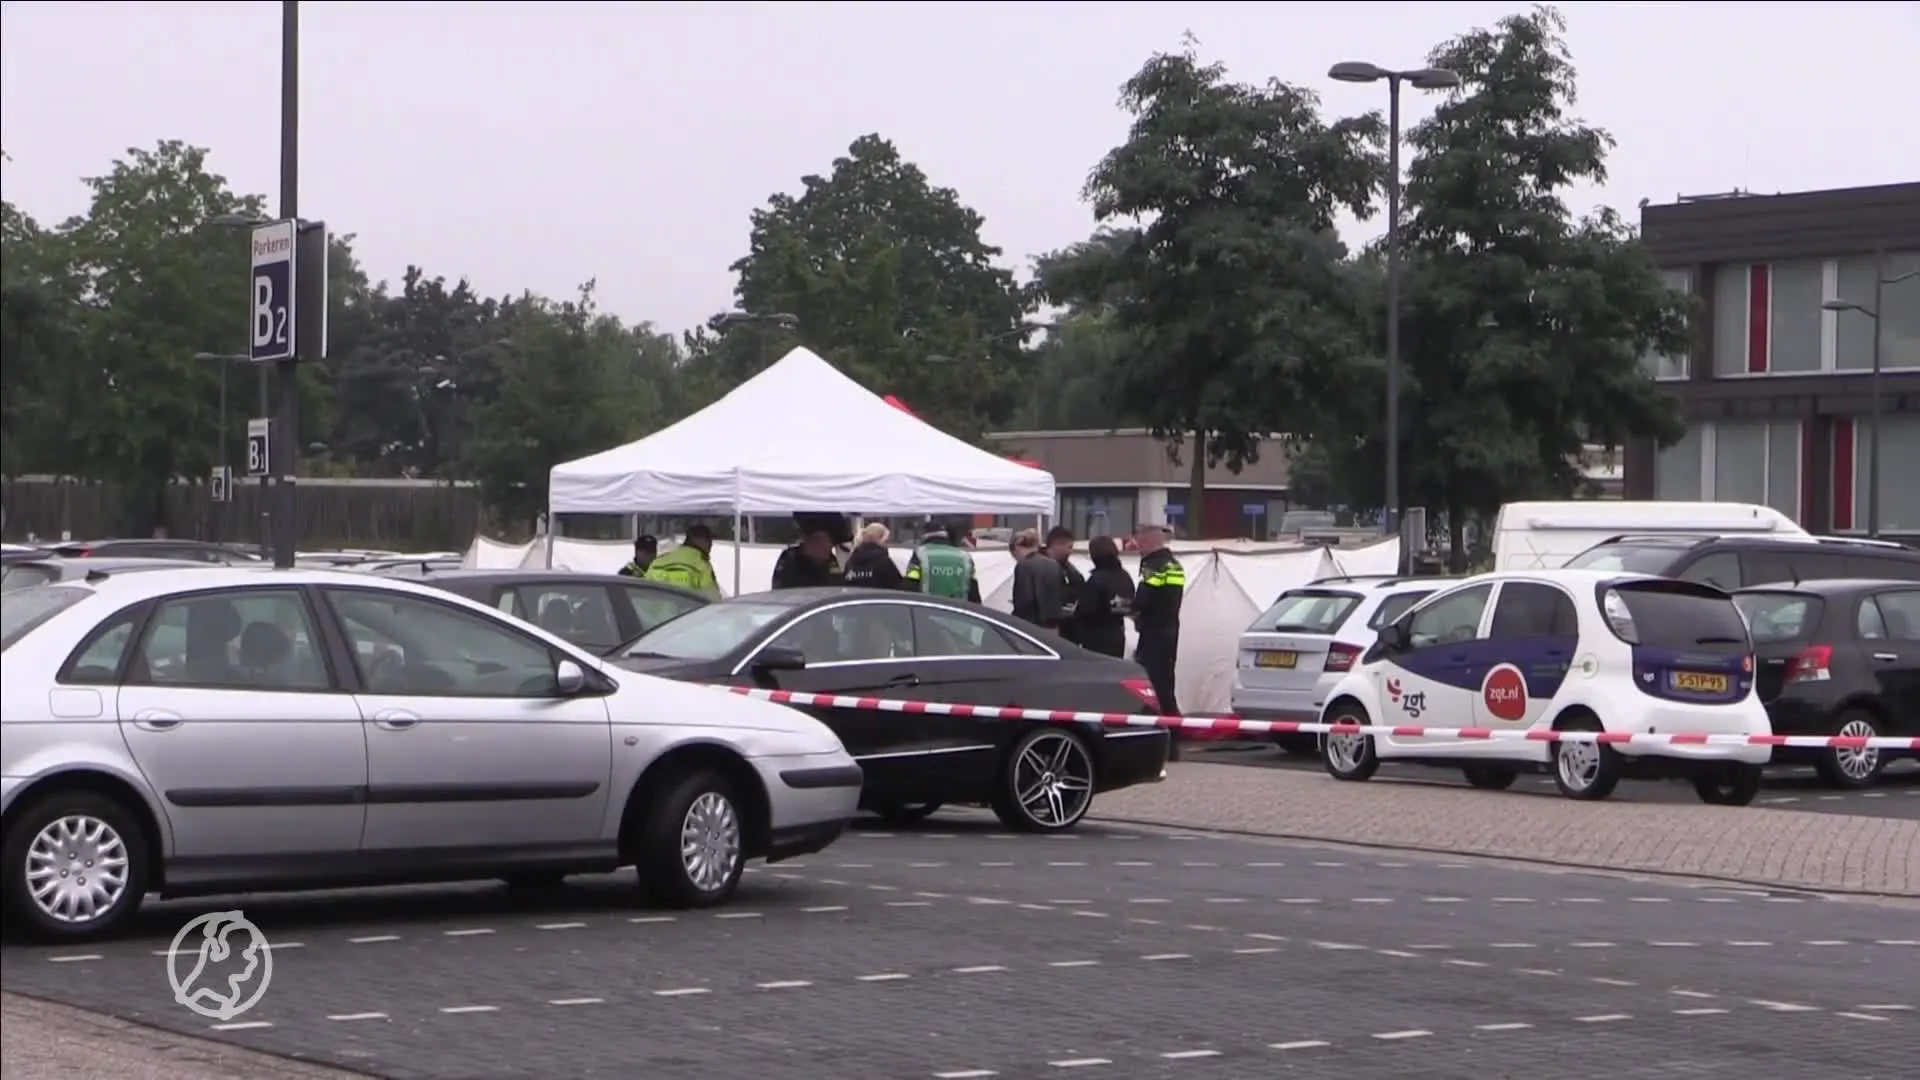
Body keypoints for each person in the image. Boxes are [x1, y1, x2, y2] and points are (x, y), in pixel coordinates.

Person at [1132, 520, 1185, 755]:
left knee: (1153, 686)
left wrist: (1127, 607)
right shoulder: (1174, 564)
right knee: (1166, 684)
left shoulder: (1154, 566)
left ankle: (1162, 740)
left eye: (1140, 541)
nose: (1138, 546)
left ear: (1149, 540)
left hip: (1154, 631)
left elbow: (1144, 599)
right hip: (1169, 629)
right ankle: (1174, 738)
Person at [1074, 535, 1134, 658]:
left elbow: (1086, 609)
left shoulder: (1097, 579)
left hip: (1096, 636)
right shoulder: (1125, 576)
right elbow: (1130, 604)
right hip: (1118, 633)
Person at [904, 517, 981, 601]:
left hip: (927, 610)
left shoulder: (920, 554)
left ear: (924, 536)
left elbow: (910, 585)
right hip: (959, 611)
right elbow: (974, 592)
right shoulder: (965, 557)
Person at [1009, 528, 1066, 632]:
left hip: (1031, 626)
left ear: (1016, 548)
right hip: (1054, 625)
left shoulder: (1024, 566)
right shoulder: (1053, 564)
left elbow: (1024, 600)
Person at [642, 525, 721, 599]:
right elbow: (713, 600)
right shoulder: (701, 565)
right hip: (686, 613)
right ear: (702, 541)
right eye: (709, 541)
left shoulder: (658, 561)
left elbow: (643, 594)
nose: (711, 546)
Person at [1045, 526, 1087, 645]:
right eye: (1069, 547)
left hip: (1069, 631)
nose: (1071, 551)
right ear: (1057, 544)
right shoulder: (1040, 568)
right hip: (1047, 631)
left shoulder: (1071, 571)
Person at [772, 528, 843, 589]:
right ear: (808, 542)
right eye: (820, 541)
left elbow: (837, 587)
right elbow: (781, 591)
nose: (827, 546)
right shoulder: (790, 559)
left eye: (829, 541)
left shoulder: (831, 562)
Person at [843, 522, 906, 590]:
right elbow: (898, 588)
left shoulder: (850, 562)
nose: (887, 545)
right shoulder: (884, 563)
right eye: (886, 541)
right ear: (879, 540)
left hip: (855, 599)